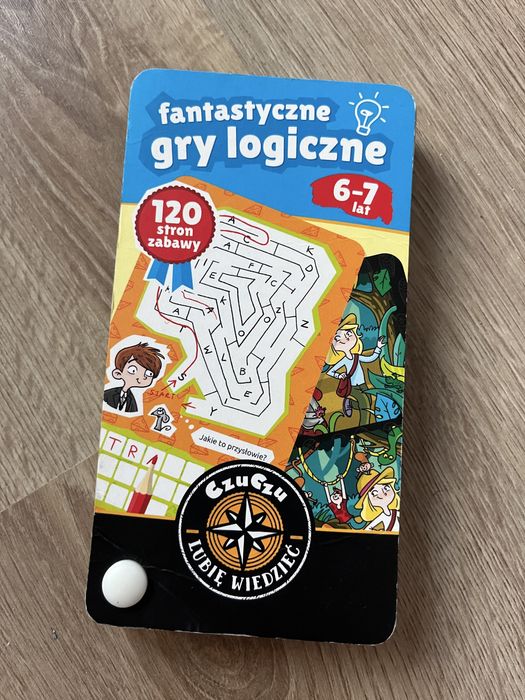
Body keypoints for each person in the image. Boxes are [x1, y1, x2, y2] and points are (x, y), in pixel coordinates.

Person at [324, 313, 386, 420]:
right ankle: (365, 426)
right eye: (337, 338)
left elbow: (371, 358)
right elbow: (330, 371)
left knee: (369, 401)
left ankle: (350, 403)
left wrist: (378, 347)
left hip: (363, 384)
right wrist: (340, 375)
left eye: (349, 333)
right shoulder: (344, 360)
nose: (346, 337)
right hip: (352, 387)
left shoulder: (357, 356)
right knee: (365, 405)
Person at [103, 341, 164, 413]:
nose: (142, 377)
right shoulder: (108, 394)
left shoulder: (132, 400)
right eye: (133, 370)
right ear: (118, 374)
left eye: (149, 373)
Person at [354, 466, 400, 532]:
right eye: (374, 493)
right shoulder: (381, 516)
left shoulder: (394, 512)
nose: (383, 494)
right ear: (367, 501)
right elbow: (367, 529)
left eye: (386, 488)